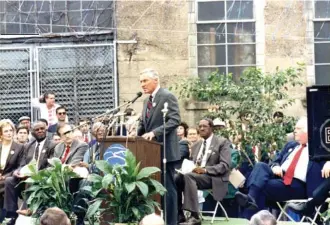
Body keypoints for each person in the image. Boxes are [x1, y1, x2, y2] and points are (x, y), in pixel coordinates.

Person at [235, 117, 309, 217]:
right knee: (261, 165)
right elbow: (275, 160)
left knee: (260, 187)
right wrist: (275, 166)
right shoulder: (291, 145)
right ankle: (251, 199)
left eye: (298, 128)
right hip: (280, 177)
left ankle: (252, 216)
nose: (294, 131)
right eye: (295, 128)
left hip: (296, 185)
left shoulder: (314, 149)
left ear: (308, 131)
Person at [137, 68, 181, 225]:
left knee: (167, 188)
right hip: (150, 152)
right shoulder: (146, 101)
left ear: (155, 80)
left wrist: (155, 133)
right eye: (140, 81)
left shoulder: (167, 96)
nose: (142, 85)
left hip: (165, 152)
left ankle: (171, 222)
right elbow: (144, 124)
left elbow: (174, 120)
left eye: (145, 81)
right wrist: (135, 136)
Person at [176, 118, 231, 224]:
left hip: (214, 177)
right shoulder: (196, 145)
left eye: (204, 126)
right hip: (195, 176)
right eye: (200, 126)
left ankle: (194, 216)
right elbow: (192, 164)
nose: (201, 129)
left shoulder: (222, 142)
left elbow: (225, 166)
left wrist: (205, 170)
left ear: (211, 128)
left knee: (189, 177)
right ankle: (179, 214)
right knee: (177, 177)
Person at [5, 121, 57, 219]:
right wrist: (18, 171)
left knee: (31, 178)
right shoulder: (28, 146)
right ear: (32, 132)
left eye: (42, 129)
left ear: (46, 129)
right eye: (37, 130)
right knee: (9, 181)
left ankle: (27, 209)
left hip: (43, 178)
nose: (40, 131)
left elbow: (52, 166)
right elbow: (22, 164)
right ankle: (11, 215)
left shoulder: (52, 145)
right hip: (26, 176)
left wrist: (36, 174)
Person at [0, 119, 25, 225]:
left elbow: (20, 166)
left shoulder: (19, 147)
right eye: (6, 131)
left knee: (6, 183)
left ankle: (10, 216)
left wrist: (5, 176)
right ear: (0, 133)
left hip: (11, 178)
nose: (9, 133)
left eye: (11, 130)